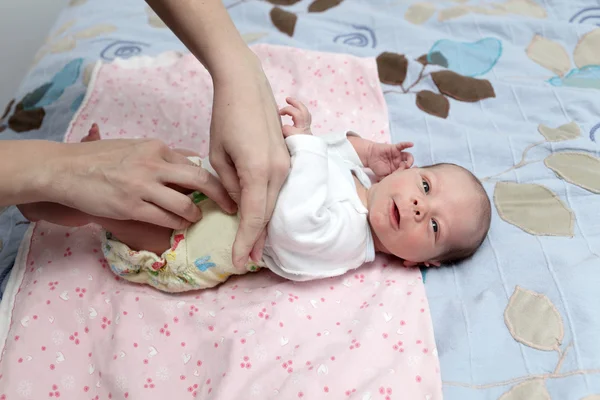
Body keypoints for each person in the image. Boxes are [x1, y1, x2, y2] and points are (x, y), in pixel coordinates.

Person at [20, 98, 492, 293]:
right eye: (425, 187)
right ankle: (73, 177)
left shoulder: (351, 241)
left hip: (194, 241)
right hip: (219, 187)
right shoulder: (362, 184)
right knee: (173, 161)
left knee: (143, 214)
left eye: (433, 225)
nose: (417, 205)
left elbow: (289, 223)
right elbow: (332, 152)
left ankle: (69, 204)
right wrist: (367, 151)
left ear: (417, 263)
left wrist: (304, 140)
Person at [2, 0, 290, 269]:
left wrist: (238, 69)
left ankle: (81, 205)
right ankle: (68, 196)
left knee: (171, 188)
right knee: (171, 194)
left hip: (203, 241)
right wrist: (52, 168)